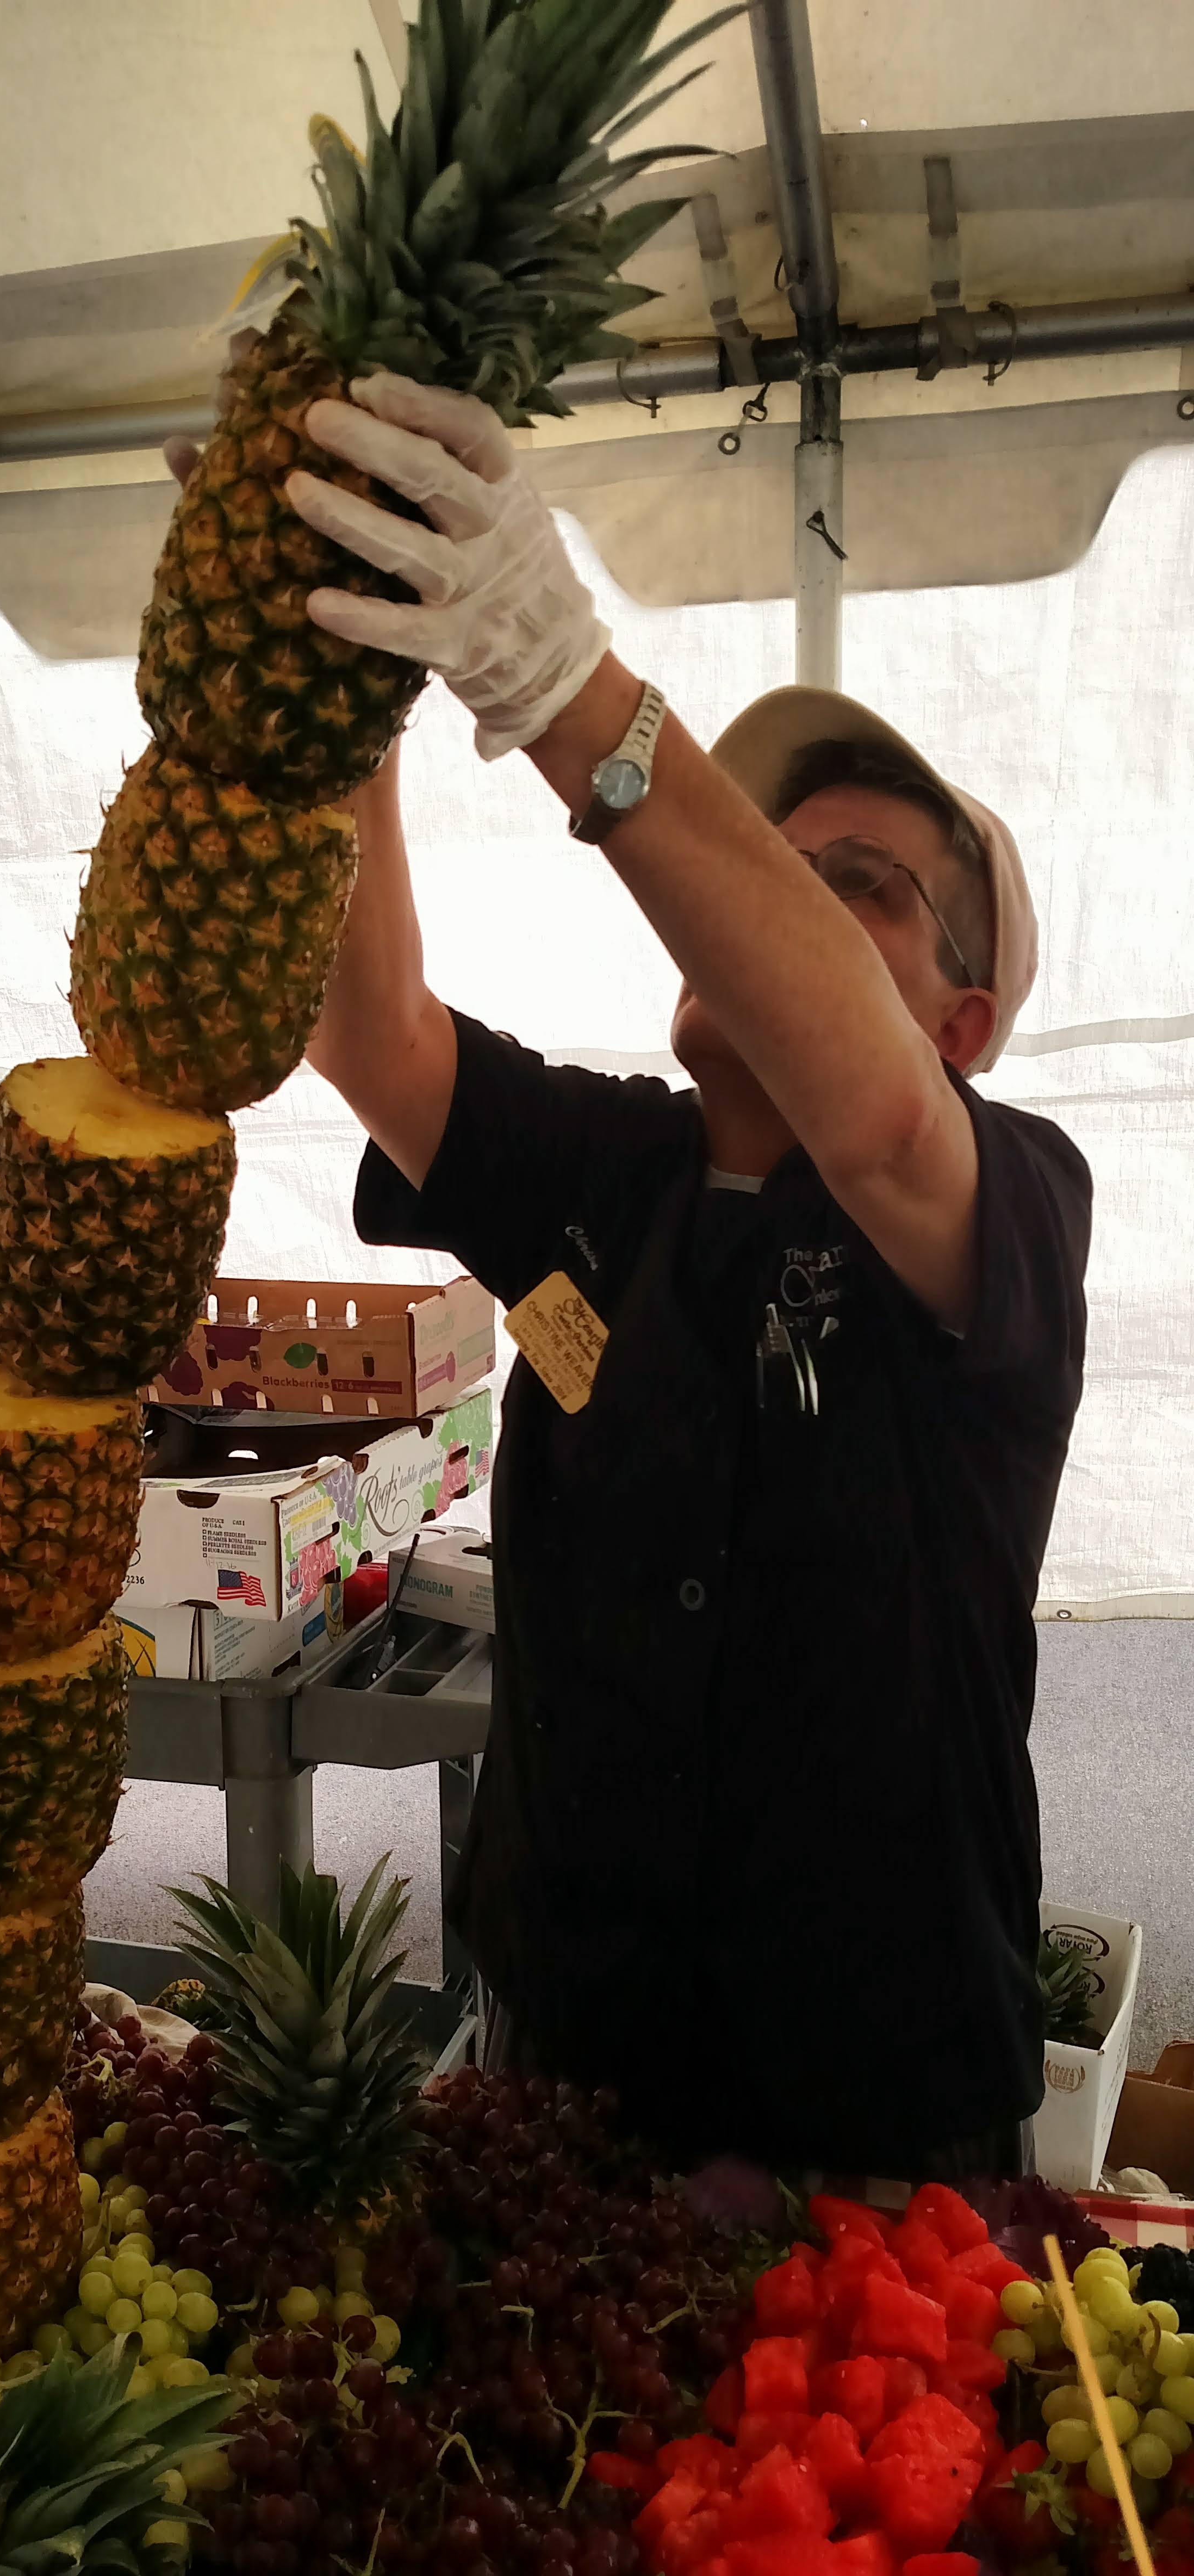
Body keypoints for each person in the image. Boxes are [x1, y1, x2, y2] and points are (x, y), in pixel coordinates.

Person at [277, 373, 1091, 2182]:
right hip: (571, 2080)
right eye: (766, 870)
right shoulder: (613, 1174)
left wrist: (560, 676)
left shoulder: (1004, 1202)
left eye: (851, 891)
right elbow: (373, 1031)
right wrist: (345, 702)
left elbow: (877, 1126)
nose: (772, 900)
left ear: (963, 1022)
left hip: (875, 2133)